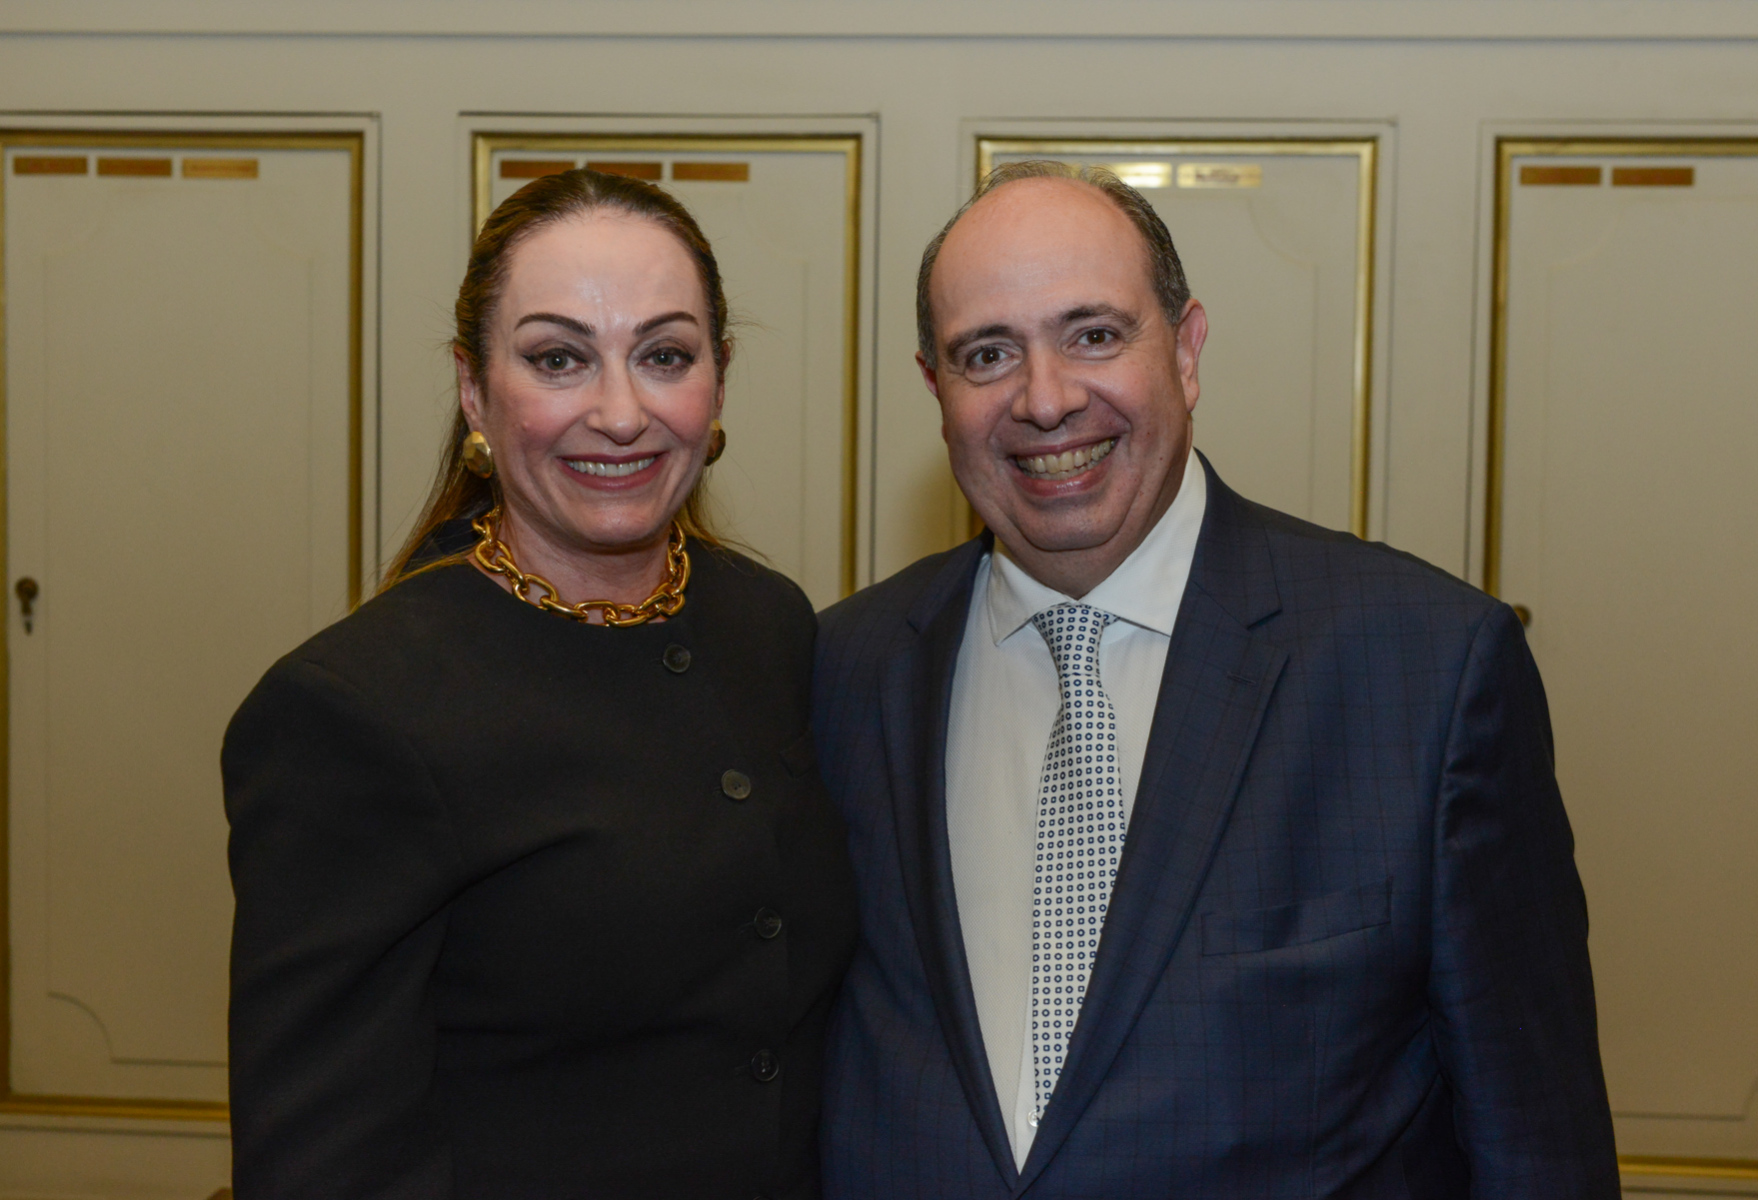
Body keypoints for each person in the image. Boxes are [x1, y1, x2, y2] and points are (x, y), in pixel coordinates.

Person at [813, 161, 1618, 1197]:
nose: (1045, 399)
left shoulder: (1425, 667)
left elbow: (1535, 1143)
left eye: (1093, 334)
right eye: (987, 354)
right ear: (937, 391)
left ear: (1185, 351)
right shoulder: (842, 671)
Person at [223, 169, 857, 1200]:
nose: (620, 413)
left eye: (664, 355)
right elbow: (322, 1160)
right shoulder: (352, 709)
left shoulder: (768, 622)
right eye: (558, 359)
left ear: (718, 378)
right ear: (474, 389)